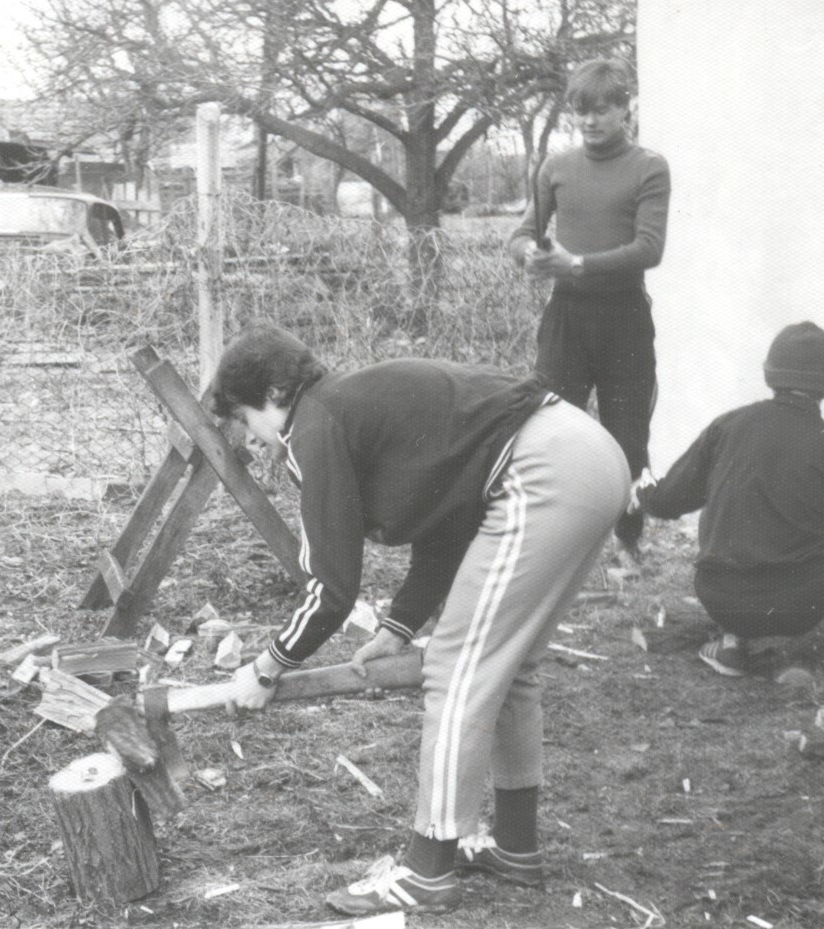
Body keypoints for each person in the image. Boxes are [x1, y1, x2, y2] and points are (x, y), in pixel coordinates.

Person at [209, 323, 631, 916]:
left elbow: (331, 588)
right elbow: (452, 515)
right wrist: (400, 625)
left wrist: (268, 665)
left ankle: (427, 869)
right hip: (587, 453)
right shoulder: (354, 406)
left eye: (244, 421)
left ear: (275, 395)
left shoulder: (316, 424)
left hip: (544, 470)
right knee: (511, 670)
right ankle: (513, 847)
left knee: (455, 671)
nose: (251, 440)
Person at [632, 321, 824, 682]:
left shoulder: (727, 427)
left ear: (770, 373)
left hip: (720, 594)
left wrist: (643, 494)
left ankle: (731, 644)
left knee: (735, 562)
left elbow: (669, 500)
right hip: (798, 606)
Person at [508, 57, 671, 561]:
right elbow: (520, 234)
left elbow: (649, 249)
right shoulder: (556, 167)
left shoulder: (649, 167)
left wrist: (574, 262)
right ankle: (555, 542)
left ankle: (627, 541)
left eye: (602, 109)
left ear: (625, 107)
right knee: (553, 430)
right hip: (566, 320)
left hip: (624, 319)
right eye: (581, 111)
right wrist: (529, 256)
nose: (590, 121)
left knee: (627, 436)